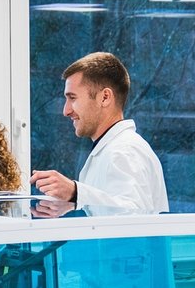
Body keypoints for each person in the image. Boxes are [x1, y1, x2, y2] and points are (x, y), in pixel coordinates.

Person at [31, 51, 168, 214]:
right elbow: (114, 207)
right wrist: (75, 205)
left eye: (72, 98)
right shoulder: (111, 149)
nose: (65, 111)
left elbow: (134, 218)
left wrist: (76, 193)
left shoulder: (125, 151)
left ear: (104, 97)